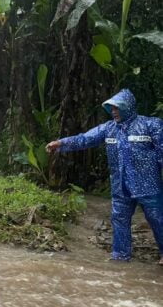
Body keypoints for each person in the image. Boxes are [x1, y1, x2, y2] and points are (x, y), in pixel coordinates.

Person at [46, 89, 163, 265]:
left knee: (157, 218)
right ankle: (120, 257)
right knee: (119, 219)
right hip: (120, 186)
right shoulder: (109, 129)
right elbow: (84, 139)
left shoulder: (151, 125)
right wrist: (61, 143)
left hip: (148, 185)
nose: (114, 111)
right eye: (111, 108)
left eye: (117, 108)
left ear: (128, 107)